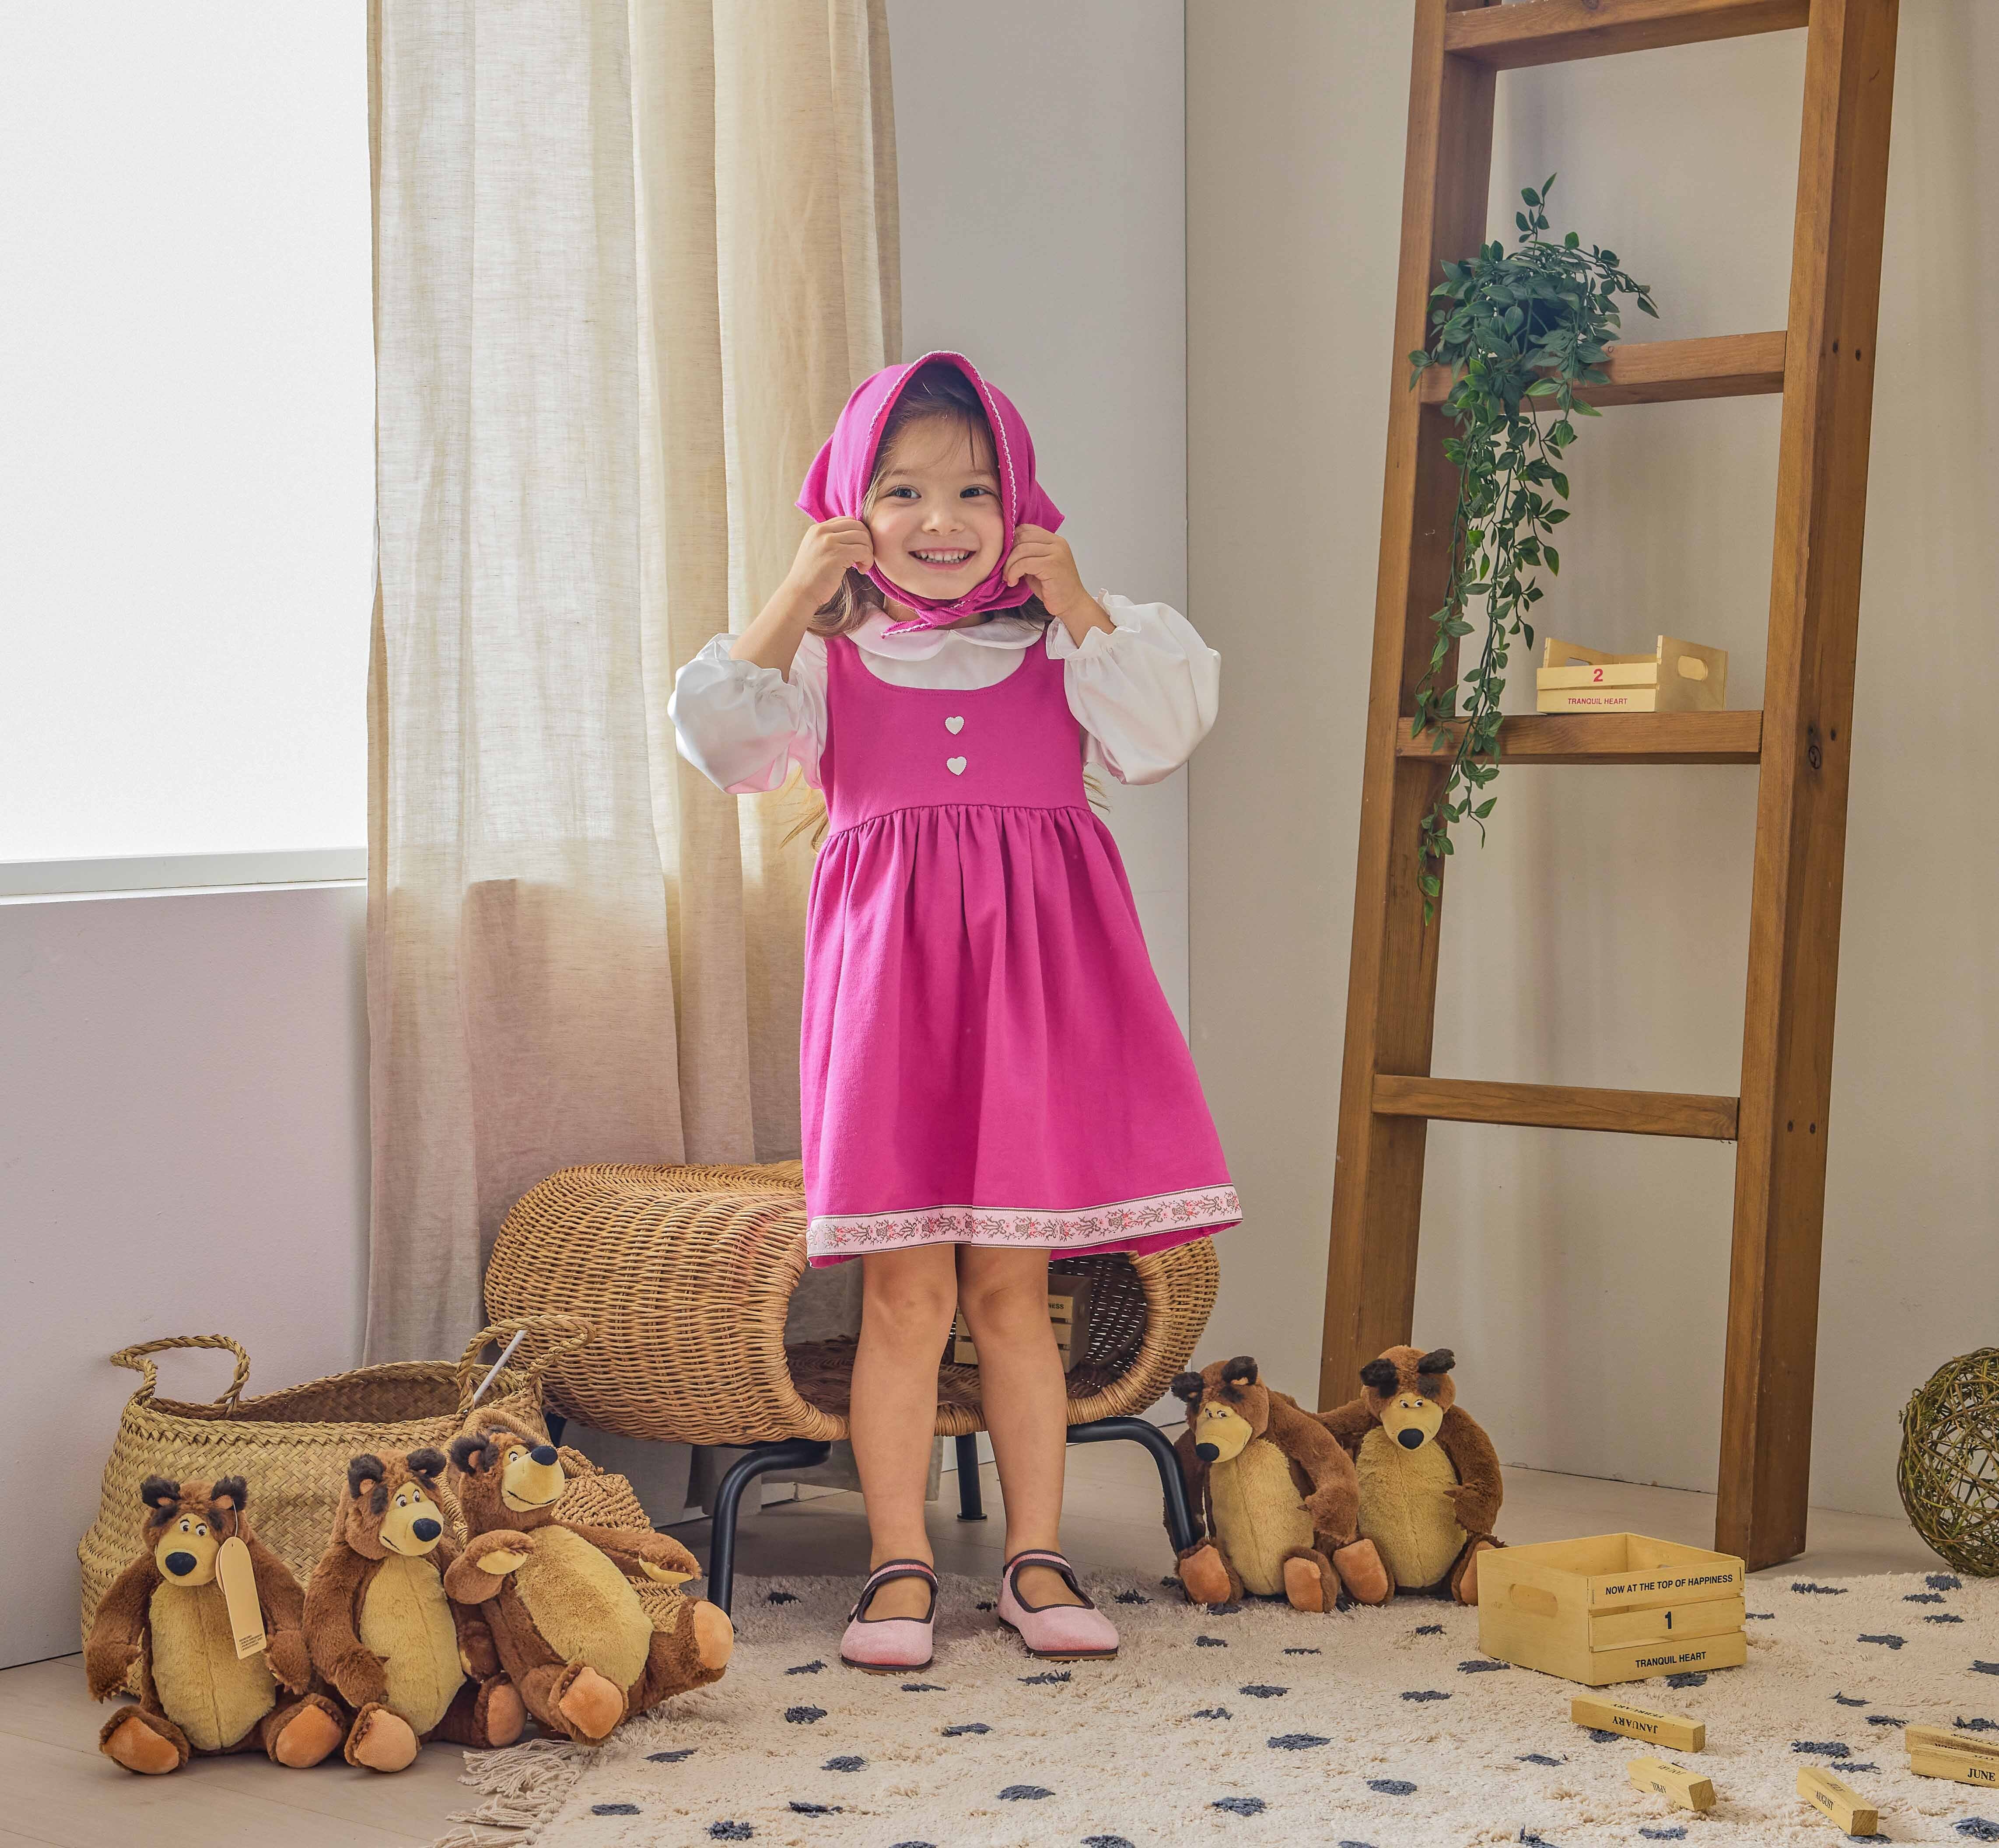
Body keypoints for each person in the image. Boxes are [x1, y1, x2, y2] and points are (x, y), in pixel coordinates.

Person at [670, 351, 1237, 1672]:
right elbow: (722, 743)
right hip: (892, 1013)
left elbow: (1159, 736)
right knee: (905, 1295)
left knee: (1013, 1292)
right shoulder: (828, 662)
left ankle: (1036, 1559)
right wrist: (794, 593)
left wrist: (1078, 600)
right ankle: (898, 1564)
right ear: (849, 507)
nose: (942, 520)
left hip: (1034, 1010)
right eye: (906, 492)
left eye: (976, 491)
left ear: (1021, 503)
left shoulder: (1067, 647)